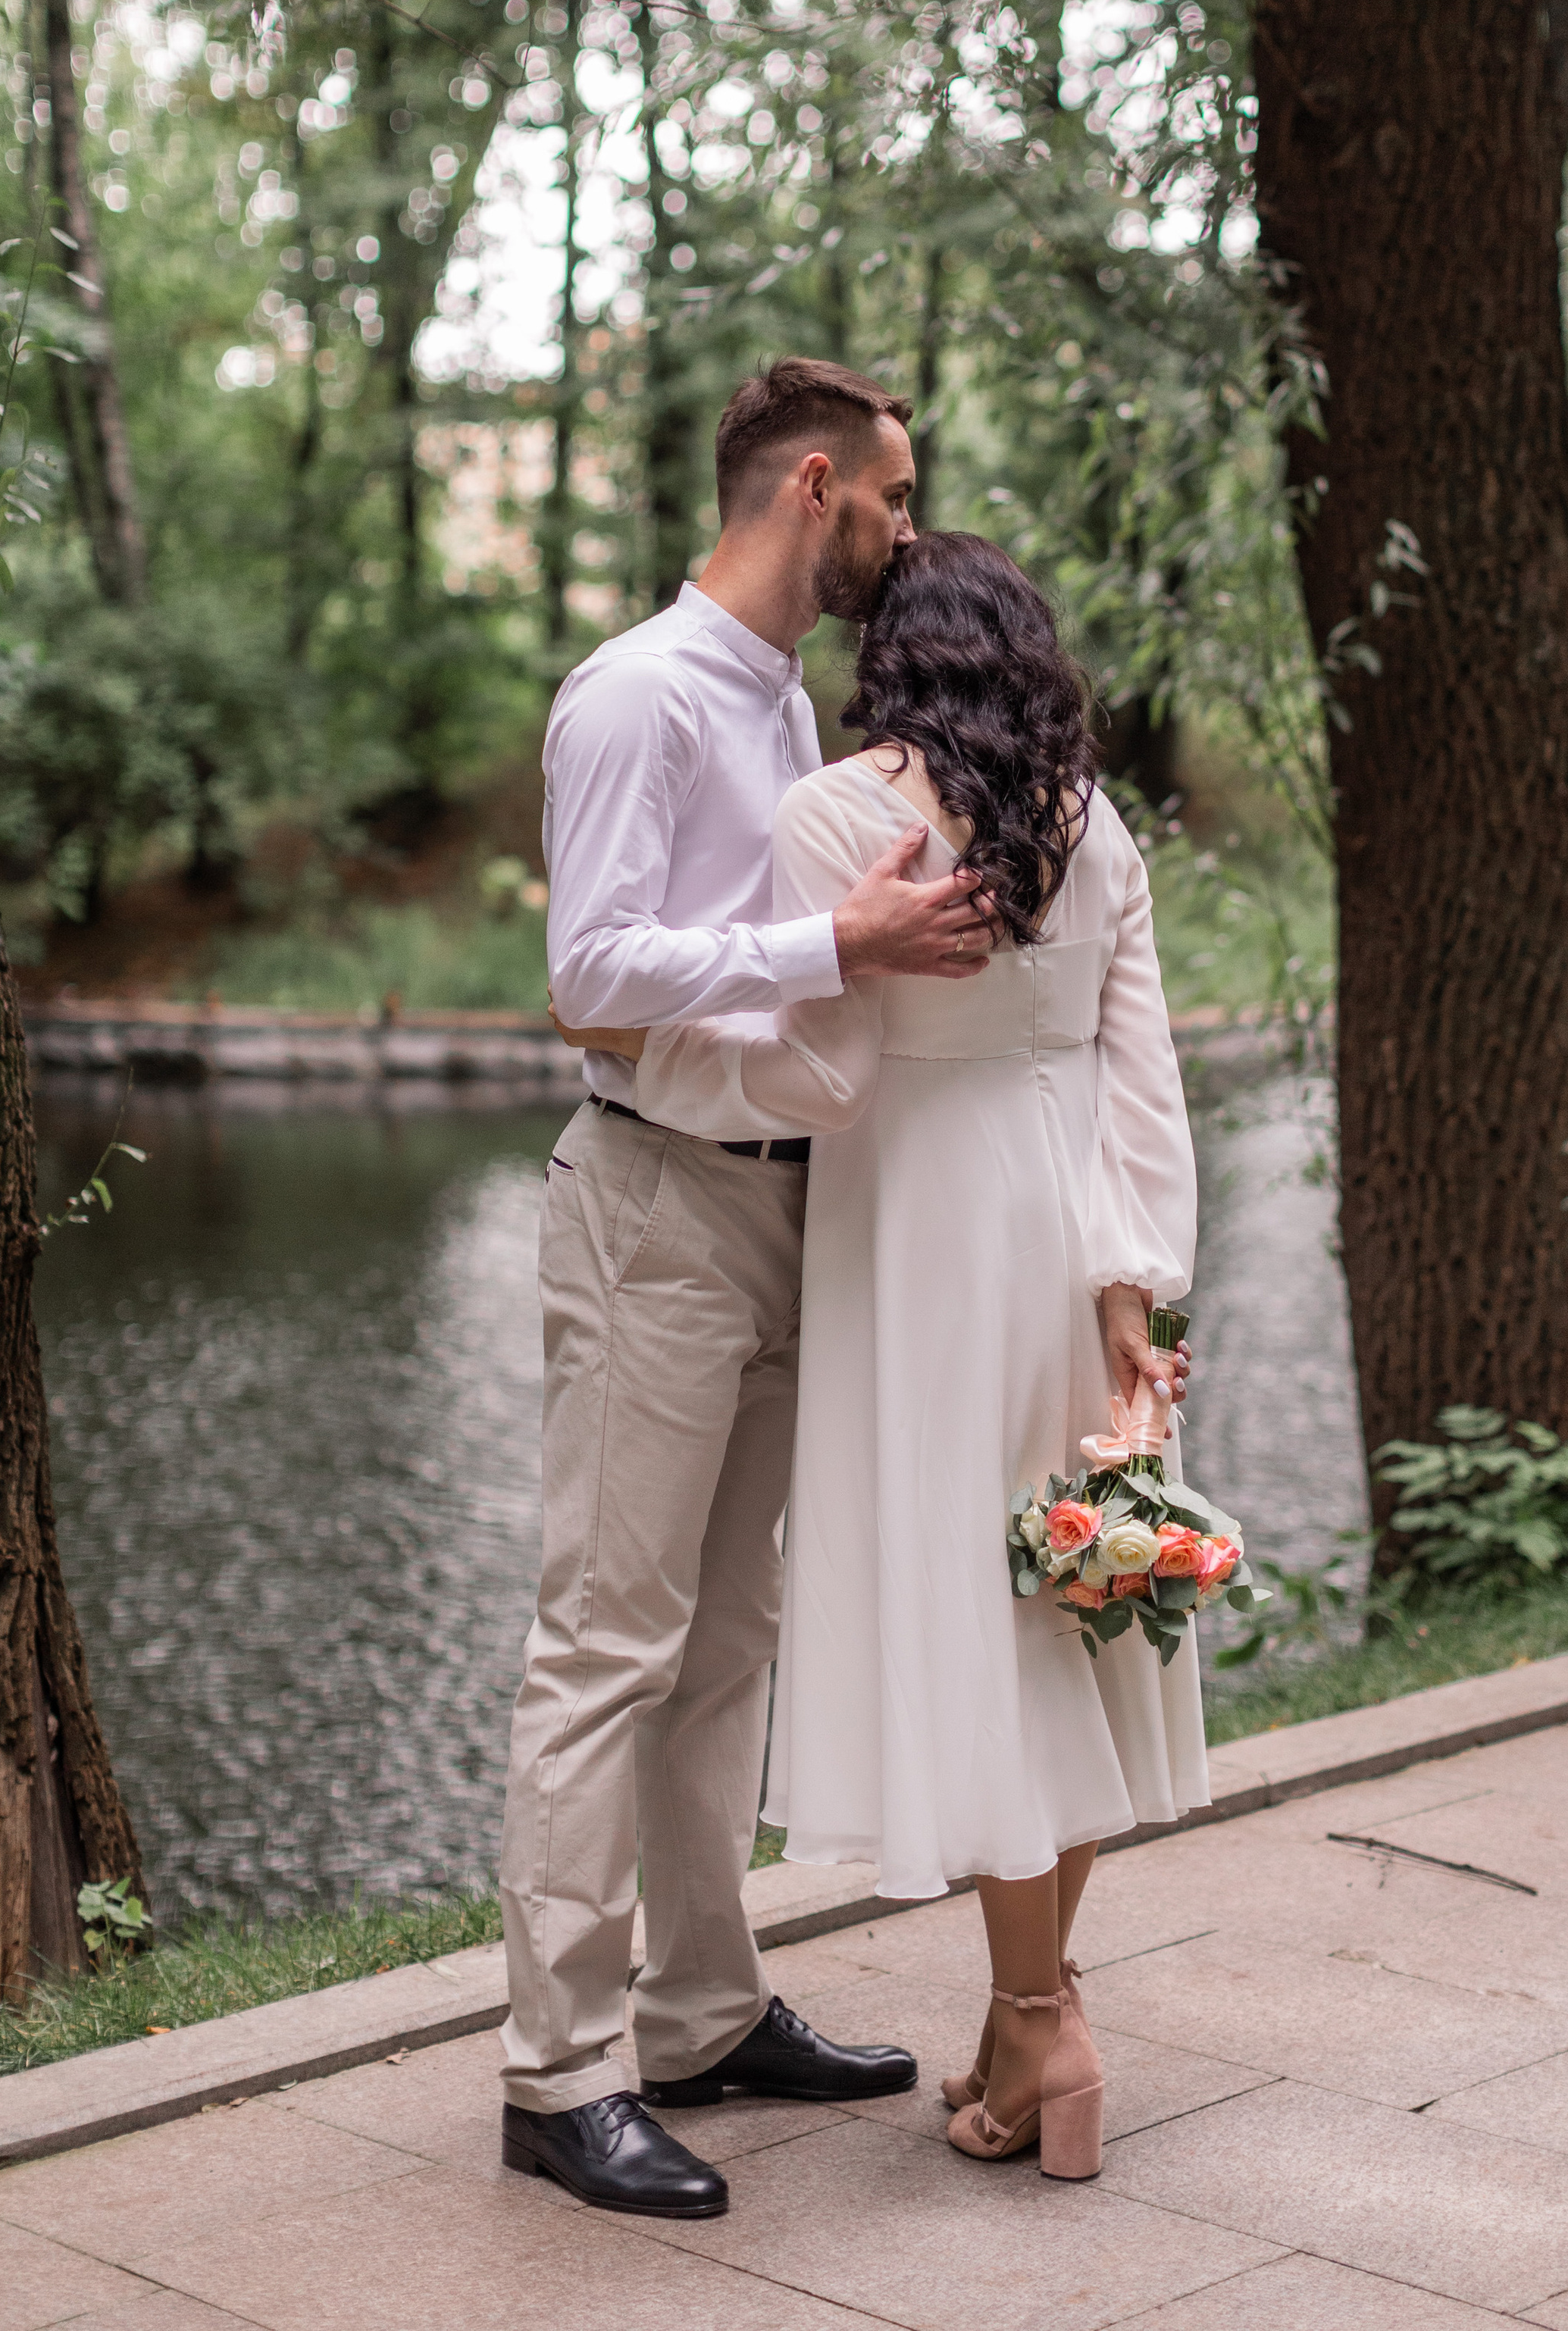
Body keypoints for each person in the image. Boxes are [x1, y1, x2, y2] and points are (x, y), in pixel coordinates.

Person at [621, 527, 1207, 2182]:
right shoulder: (1091, 820)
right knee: (1068, 1595)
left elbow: (813, 1073)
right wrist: (1139, 1288)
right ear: (1023, 647)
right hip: (1070, 1218)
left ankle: (1043, 2011)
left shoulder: (837, 813)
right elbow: (1139, 1071)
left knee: (984, 1610)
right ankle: (1032, 2014)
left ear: (893, 659)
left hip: (920, 1231)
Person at [499, 358, 1002, 2222]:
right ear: (813, 485)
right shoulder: (634, 692)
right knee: (604, 1646)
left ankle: (699, 2009)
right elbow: (591, 973)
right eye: (890, 493)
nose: (904, 523)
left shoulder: (782, 696)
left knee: (725, 1648)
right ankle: (556, 2073)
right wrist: (837, 935)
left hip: (779, 1207)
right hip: (652, 1207)